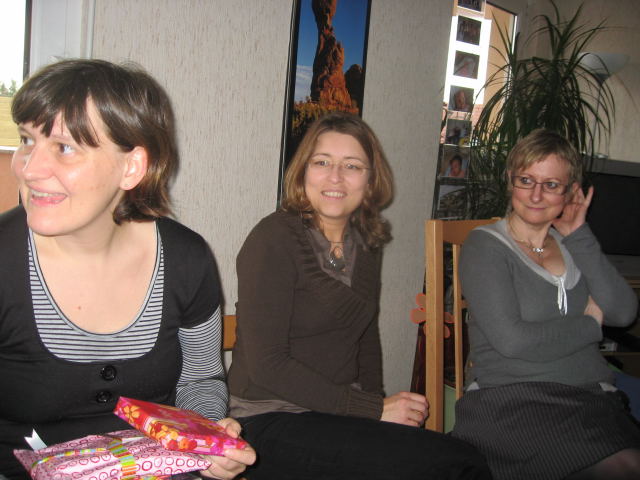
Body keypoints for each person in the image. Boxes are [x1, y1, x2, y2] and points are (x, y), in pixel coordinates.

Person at [0, 59, 255, 480]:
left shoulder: (186, 259)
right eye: (27, 140)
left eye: (64, 147)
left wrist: (206, 439)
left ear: (132, 166)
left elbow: (200, 379)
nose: (29, 169)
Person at [227, 111, 491, 479]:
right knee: (457, 463)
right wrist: (373, 410)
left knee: (451, 458)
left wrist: (378, 408)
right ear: (303, 172)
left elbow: (365, 336)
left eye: (352, 166)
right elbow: (268, 365)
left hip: (336, 416)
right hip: (268, 418)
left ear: (370, 180)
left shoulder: (366, 240)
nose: (335, 177)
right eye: (322, 162)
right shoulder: (273, 239)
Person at [452, 129, 640, 479]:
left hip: (589, 399)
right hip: (512, 403)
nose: (536, 195)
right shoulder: (486, 247)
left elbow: (623, 311)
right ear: (510, 180)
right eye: (526, 180)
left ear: (572, 192)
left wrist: (580, 236)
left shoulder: (573, 245)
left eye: (551, 185)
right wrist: (590, 324)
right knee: (625, 468)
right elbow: (513, 342)